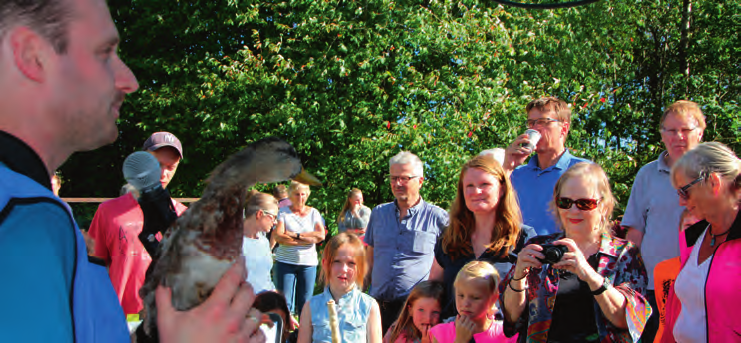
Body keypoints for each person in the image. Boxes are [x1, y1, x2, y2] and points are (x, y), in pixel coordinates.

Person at [0, 0, 263, 341]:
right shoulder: (21, 217)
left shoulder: (39, 213)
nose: (129, 80)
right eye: (105, 53)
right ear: (32, 55)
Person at [500, 162, 651, 342]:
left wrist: (588, 274)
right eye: (565, 202)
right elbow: (511, 317)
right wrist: (518, 277)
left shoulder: (624, 254)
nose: (573, 210)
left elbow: (627, 319)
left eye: (584, 203)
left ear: (603, 206)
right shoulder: (539, 247)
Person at [620, 101, 705, 343]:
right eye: (670, 130)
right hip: (652, 287)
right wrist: (629, 279)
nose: (678, 136)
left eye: (686, 130)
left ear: (700, 132)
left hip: (701, 287)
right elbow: (634, 231)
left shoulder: (715, 173)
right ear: (661, 134)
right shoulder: (647, 174)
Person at [88, 132, 188, 316]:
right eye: (157, 164)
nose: (163, 173)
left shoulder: (184, 216)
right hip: (119, 322)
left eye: (170, 167)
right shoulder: (109, 212)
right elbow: (92, 271)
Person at [429, 155, 535, 319]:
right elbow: (432, 293)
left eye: (484, 184)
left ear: (502, 189)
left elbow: (534, 302)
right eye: (469, 185)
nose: (476, 191)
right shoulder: (449, 238)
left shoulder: (523, 239)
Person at [661, 142, 741, 342]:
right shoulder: (693, 237)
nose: (681, 202)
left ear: (713, 182)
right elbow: (677, 314)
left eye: (685, 192)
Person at [365, 151, 450, 333]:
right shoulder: (378, 214)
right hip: (377, 307)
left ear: (420, 181)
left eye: (404, 178)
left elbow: (446, 267)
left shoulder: (438, 218)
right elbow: (369, 261)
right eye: (393, 178)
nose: (397, 184)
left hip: (415, 313)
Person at [503, 96, 590, 236]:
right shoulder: (516, 174)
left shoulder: (582, 170)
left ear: (564, 128)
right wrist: (508, 165)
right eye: (531, 123)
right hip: (519, 255)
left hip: (563, 253)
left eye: (543, 122)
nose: (536, 128)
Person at [297, 233, 382, 343]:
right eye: (337, 261)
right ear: (325, 264)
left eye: (351, 263)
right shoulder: (311, 307)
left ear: (360, 268)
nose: (344, 269)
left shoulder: (368, 306)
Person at [273, 181, 326, 315]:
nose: (300, 198)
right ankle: (283, 334)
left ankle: (302, 335)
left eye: (303, 194)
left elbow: (320, 236)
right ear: (290, 195)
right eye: (297, 194)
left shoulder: (314, 213)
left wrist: (294, 235)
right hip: (285, 262)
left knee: (305, 304)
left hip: (308, 264)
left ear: (307, 195)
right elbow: (279, 236)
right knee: (284, 304)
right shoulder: (283, 212)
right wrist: (307, 240)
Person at [429, 261, 515, 343]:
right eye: (461, 296)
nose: (465, 303)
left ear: (493, 299)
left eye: (475, 298)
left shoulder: (504, 335)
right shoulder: (441, 333)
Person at [653, 209, 700, 343]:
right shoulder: (662, 270)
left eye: (701, 226)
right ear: (680, 231)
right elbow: (664, 320)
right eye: (689, 227)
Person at [242, 190, 279, 294]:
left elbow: (265, 277)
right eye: (273, 217)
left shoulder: (264, 241)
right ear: (259, 214)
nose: (275, 222)